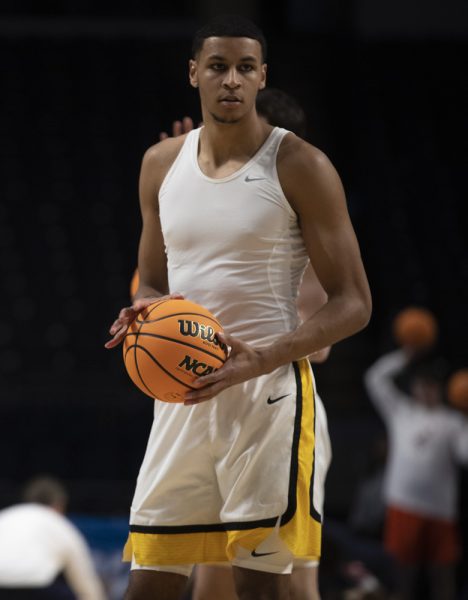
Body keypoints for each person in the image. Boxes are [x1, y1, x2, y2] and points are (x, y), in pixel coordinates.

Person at [105, 15, 371, 600]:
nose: (231, 80)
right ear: (194, 72)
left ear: (262, 77)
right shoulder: (159, 164)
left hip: (268, 396)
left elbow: (355, 303)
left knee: (259, 587)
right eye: (219, 66)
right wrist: (142, 314)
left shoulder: (301, 164)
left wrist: (263, 356)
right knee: (148, 584)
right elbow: (151, 281)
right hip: (182, 395)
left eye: (245, 68)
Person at [190, 88, 328, 600]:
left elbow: (324, 346)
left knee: (291, 586)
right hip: (211, 410)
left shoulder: (302, 226)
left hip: (281, 410)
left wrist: (250, 349)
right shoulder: (207, 211)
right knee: (211, 585)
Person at [364, 348, 468, 600]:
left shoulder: (453, 421)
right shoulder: (401, 411)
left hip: (440, 511)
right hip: (403, 506)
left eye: (432, 385)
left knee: (442, 577)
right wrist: (404, 355)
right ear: (414, 386)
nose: (426, 390)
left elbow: (465, 455)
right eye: (422, 383)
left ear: (441, 389)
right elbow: (374, 378)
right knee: (402, 578)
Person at [0, 476, 106, 600]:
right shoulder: (61, 524)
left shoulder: (5, 516)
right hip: (39, 591)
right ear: (60, 506)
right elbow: (86, 585)